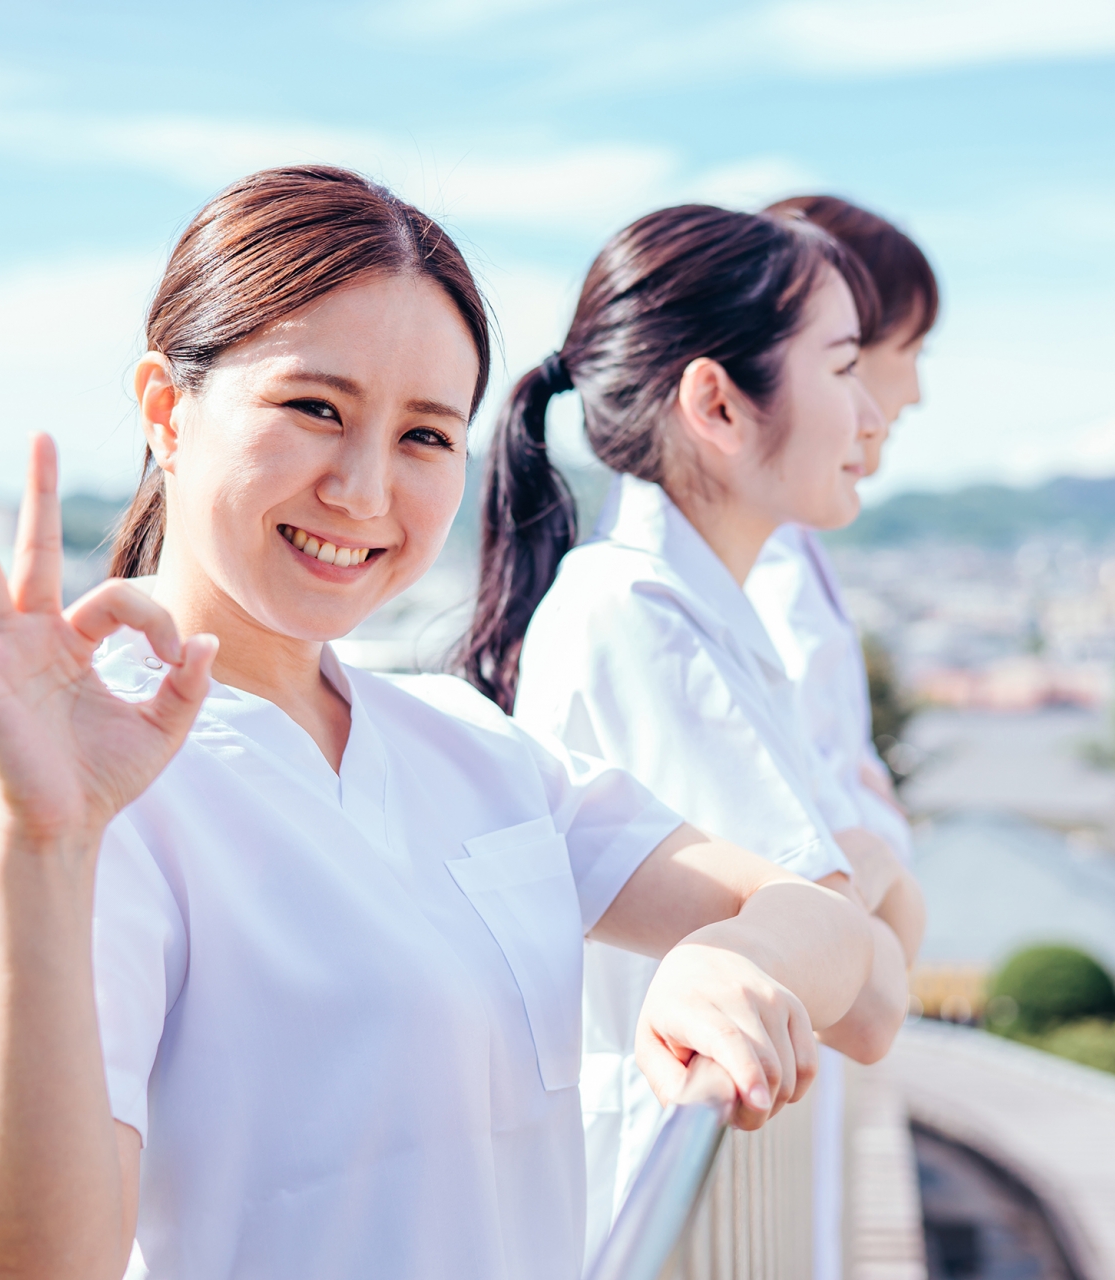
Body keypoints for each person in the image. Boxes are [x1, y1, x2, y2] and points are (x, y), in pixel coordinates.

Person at [0, 166, 885, 1280]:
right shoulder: (78, 780)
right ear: (169, 410)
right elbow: (30, 1262)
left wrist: (731, 960)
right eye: (315, 408)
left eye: (424, 436)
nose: (364, 490)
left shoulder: (467, 742)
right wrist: (43, 848)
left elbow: (851, 949)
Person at [460, 204, 926, 1262]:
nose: (875, 413)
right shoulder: (642, 617)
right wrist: (874, 847)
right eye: (844, 364)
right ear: (716, 401)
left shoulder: (677, 606)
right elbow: (874, 997)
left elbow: (867, 953)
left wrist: (857, 880)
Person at [744, 195, 940, 1277]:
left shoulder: (780, 565)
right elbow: (835, 870)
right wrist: (871, 847)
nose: (907, 389)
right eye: (893, 348)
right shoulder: (742, 585)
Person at [747, 196, 939, 868]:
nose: (914, 391)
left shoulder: (778, 547)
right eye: (909, 348)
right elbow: (812, 847)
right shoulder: (757, 567)